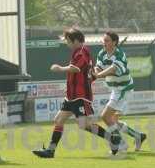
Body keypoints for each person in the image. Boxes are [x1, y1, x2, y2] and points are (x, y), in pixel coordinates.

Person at [32, 28, 121, 158]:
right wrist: (69, 87)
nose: (67, 44)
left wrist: (59, 68)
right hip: (71, 96)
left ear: (76, 41)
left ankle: (112, 139)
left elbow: (76, 68)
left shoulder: (82, 52)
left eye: (68, 41)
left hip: (81, 95)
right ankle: (50, 151)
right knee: (58, 120)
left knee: (84, 125)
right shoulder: (77, 52)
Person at [93, 31, 146, 151]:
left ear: (114, 42)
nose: (104, 43)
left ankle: (121, 144)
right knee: (113, 121)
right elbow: (98, 66)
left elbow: (113, 69)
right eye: (103, 40)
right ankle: (138, 136)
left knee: (105, 116)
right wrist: (96, 72)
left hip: (124, 89)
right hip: (115, 90)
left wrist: (98, 75)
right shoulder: (102, 53)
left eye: (106, 40)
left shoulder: (119, 54)